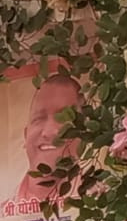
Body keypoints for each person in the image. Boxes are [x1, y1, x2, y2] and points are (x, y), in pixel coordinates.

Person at [11, 75, 82, 206]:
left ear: (83, 135)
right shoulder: (1, 211)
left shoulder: (98, 201)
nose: (48, 132)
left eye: (63, 119)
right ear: (26, 135)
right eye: (39, 118)